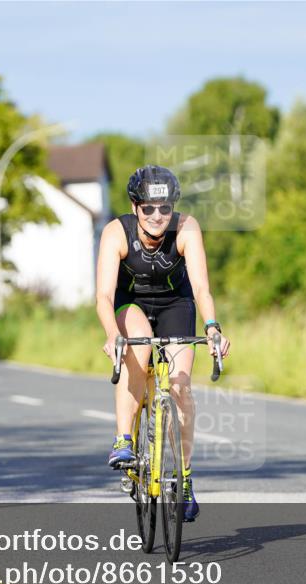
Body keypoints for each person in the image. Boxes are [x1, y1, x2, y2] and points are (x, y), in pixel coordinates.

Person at [95, 165, 231, 522]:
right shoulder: (116, 233)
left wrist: (213, 327)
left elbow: (201, 287)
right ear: (135, 206)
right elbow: (104, 296)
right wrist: (113, 335)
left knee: (181, 386)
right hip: (132, 304)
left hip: (176, 304)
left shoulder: (187, 228)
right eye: (149, 209)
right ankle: (124, 439)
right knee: (136, 352)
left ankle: (184, 479)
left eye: (165, 208)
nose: (158, 217)